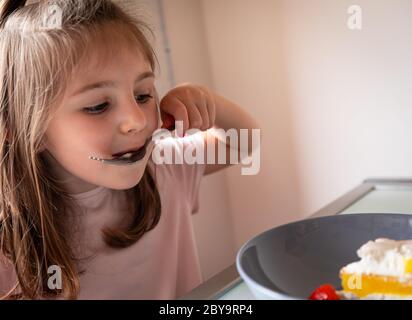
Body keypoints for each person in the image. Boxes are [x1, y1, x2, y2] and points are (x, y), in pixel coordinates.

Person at [0, 0, 259, 299]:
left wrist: (204, 100)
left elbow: (244, 140)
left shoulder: (164, 167)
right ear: (19, 128)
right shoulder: (9, 243)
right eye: (98, 106)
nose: (136, 120)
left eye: (143, 94)